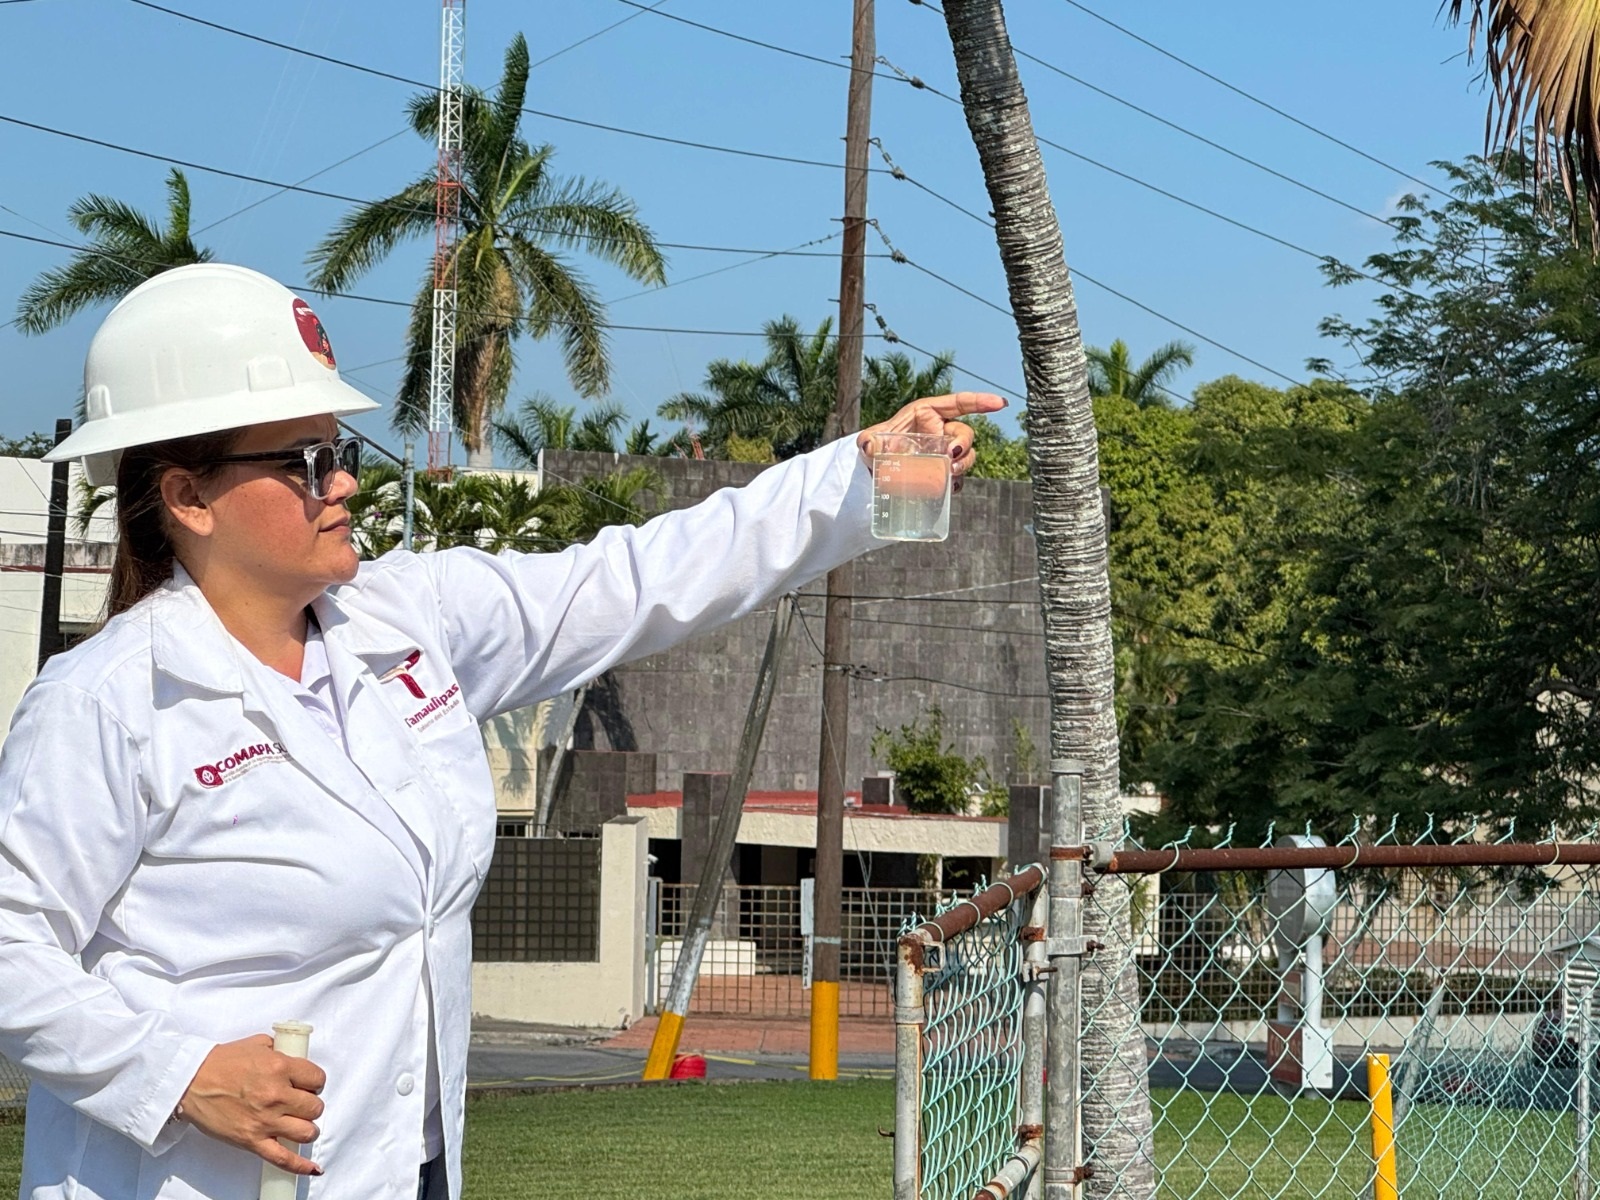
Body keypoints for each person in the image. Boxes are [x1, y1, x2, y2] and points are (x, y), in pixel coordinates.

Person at [0, 262, 1002, 1200]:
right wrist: (182, 1076)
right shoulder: (110, 700)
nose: (345, 484)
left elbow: (638, 577)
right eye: (307, 462)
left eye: (341, 453)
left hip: (401, 1169)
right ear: (187, 499)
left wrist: (857, 478)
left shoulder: (407, 623)